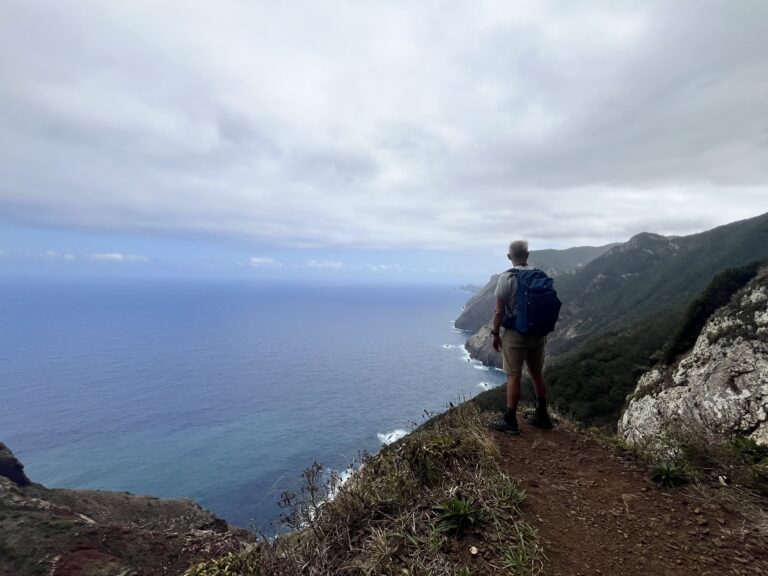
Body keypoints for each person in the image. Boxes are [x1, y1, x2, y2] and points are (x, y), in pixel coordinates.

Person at [488, 240, 554, 435]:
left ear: (510, 257)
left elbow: (499, 311)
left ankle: (510, 420)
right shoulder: (540, 275)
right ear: (528, 255)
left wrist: (495, 333)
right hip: (538, 333)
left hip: (516, 334)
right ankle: (542, 415)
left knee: (513, 375)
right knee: (536, 372)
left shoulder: (506, 278)